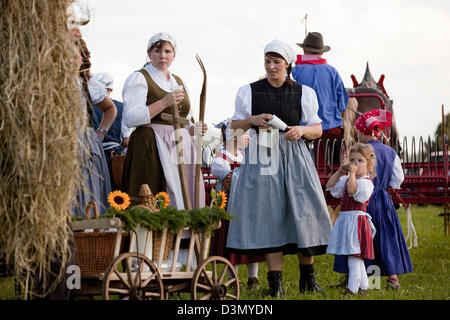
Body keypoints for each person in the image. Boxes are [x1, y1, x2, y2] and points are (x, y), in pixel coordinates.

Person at [226, 39, 332, 297]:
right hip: (263, 154)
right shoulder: (249, 91)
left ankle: (308, 280)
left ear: (288, 64)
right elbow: (234, 127)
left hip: (295, 155)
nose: (271, 67)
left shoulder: (304, 92)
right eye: (267, 62)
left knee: (303, 211)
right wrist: (251, 120)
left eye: (276, 62)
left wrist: (302, 129)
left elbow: (317, 129)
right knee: (269, 214)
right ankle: (276, 285)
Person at [333, 109, 413, 290]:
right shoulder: (390, 152)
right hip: (381, 199)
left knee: (358, 239)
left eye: (357, 130)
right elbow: (397, 180)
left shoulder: (358, 152)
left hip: (360, 202)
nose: (357, 133)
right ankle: (392, 280)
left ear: (362, 131)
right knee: (385, 238)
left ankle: (356, 279)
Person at [209, 119, 264, 290]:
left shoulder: (244, 156)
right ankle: (233, 277)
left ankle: (253, 278)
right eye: (246, 134)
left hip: (247, 206)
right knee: (232, 242)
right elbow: (230, 182)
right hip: (231, 208)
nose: (248, 138)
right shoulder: (220, 159)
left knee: (250, 242)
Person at [74, 38, 117, 217]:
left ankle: (89, 234)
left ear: (81, 58)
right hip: (60, 142)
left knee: (86, 188)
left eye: (73, 54)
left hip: (84, 144)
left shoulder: (87, 84)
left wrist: (100, 132)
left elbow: (110, 109)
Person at [326, 142, 376, 294]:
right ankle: (364, 287)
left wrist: (352, 175)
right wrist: (341, 170)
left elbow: (353, 192)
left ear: (369, 165)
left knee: (354, 256)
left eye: (360, 161)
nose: (355, 164)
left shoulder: (366, 183)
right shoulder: (347, 179)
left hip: (357, 222)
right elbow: (330, 187)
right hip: (347, 221)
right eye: (352, 160)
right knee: (355, 256)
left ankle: (352, 289)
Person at [292, 32, 349, 166]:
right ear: (322, 53)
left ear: (304, 50)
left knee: (304, 165)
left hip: (304, 129)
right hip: (332, 128)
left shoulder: (296, 71)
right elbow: (343, 103)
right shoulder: (332, 71)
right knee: (335, 166)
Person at [91, 72, 133, 190]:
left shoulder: (89, 105)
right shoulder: (122, 107)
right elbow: (125, 141)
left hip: (94, 153)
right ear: (111, 89)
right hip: (116, 157)